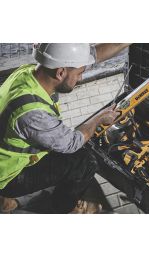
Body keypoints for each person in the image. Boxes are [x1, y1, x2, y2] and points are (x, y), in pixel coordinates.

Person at [0, 43, 130, 214]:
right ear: (60, 72)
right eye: (79, 74)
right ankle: (62, 208)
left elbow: (94, 55)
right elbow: (71, 143)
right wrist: (98, 119)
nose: (81, 78)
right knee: (84, 162)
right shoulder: (32, 113)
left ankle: (9, 201)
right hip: (8, 175)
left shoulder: (28, 73)